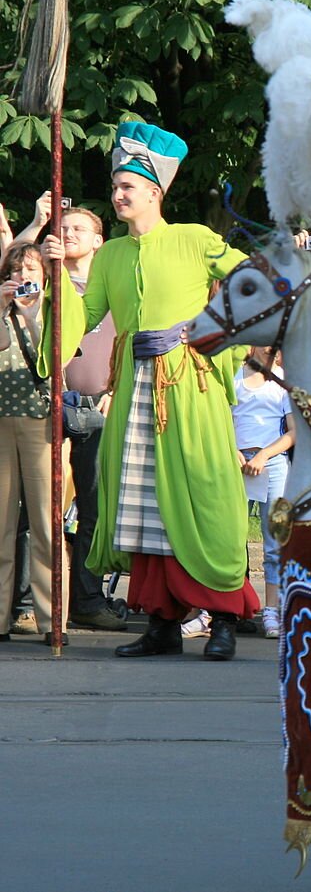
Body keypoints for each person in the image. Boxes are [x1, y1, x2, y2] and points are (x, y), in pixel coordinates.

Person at [40, 121, 258, 661]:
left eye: (127, 187)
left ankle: (225, 617)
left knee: (204, 494)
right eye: (114, 186)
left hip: (191, 386)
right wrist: (57, 277)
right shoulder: (110, 254)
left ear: (155, 192)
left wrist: (197, 328)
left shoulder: (194, 238)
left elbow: (255, 280)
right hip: (134, 390)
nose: (117, 195)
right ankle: (162, 620)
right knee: (144, 501)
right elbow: (84, 319)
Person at [60, 207, 126, 632]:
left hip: (101, 408)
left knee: (93, 510)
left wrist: (117, 392)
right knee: (40, 510)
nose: (67, 234)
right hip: (50, 407)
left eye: (78, 228)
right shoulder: (49, 284)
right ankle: (33, 602)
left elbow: (131, 342)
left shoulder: (113, 288)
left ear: (99, 241)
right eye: (62, 228)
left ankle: (86, 599)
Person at [0, 242, 69, 644]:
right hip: (2, 421)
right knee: (3, 525)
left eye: (31, 269)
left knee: (46, 523)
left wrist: (34, 315)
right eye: (15, 269)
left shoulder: (54, 309)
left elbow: (57, 359)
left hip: (40, 422)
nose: (23, 277)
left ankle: (52, 619)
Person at [231, 346, 295, 639]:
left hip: (272, 465)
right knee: (230, 536)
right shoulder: (233, 375)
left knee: (274, 541)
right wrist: (233, 452)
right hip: (236, 462)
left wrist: (264, 456)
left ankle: (271, 609)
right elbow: (224, 419)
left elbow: (293, 433)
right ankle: (226, 606)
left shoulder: (282, 380)